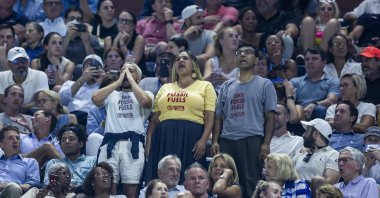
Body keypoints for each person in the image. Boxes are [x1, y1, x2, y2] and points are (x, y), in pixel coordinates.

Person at [211, 44, 276, 197]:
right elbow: (218, 117)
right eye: (239, 53)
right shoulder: (227, 86)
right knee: (227, 180)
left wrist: (266, 143)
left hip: (252, 139)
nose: (242, 55)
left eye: (247, 52)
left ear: (256, 60)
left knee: (251, 181)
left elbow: (270, 117)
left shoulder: (265, 84)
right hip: (227, 140)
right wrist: (215, 141)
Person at [145, 50, 216, 183]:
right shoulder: (165, 88)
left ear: (194, 64)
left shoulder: (205, 86)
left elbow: (209, 117)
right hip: (163, 136)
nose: (181, 61)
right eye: (178, 59)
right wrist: (149, 142)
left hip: (192, 136)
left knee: (188, 178)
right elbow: (154, 120)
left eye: (185, 58)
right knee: (161, 178)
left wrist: (203, 140)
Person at [92, 62, 153, 197]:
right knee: (107, 185)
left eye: (130, 71)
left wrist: (131, 80)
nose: (125, 73)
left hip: (133, 144)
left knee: (130, 189)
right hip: (110, 143)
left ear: (138, 77)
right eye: (122, 71)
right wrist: (118, 82)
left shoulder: (147, 94)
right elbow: (95, 99)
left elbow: (145, 102)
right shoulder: (112, 94)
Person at [290, 47, 340, 120]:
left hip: (319, 116)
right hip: (298, 115)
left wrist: (314, 104)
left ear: (324, 62)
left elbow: (331, 100)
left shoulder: (333, 81)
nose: (310, 62)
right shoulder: (295, 81)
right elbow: (289, 100)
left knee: (320, 109)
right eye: (307, 59)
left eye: (314, 59)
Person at [58, 54, 105, 126]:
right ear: (82, 70)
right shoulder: (69, 83)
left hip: (89, 120)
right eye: (88, 65)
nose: (91, 68)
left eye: (95, 65)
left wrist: (102, 84)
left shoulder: (104, 87)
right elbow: (61, 102)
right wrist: (82, 80)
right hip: (70, 117)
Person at [0, 46, 48, 112]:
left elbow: (41, 102)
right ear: (9, 65)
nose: (21, 65)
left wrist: (17, 111)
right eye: (16, 61)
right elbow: (1, 102)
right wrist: (13, 116)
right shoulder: (1, 76)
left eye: (24, 61)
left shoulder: (40, 75)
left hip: (32, 115)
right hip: (7, 114)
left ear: (28, 62)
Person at [293, 119, 340, 185]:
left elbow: (328, 184)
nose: (303, 135)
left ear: (315, 133)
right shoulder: (301, 153)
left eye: (307, 131)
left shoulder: (333, 154)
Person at [0, 126, 40, 197]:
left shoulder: (30, 162)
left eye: (17, 138)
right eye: (10, 138)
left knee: (13, 187)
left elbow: (33, 186)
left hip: (14, 193)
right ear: (1, 144)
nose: (15, 141)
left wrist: (10, 185)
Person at [203, 27, 239, 94]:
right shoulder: (211, 62)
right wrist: (209, 79)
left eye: (236, 36)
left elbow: (247, 86)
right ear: (221, 41)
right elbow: (205, 81)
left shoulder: (243, 62)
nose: (235, 39)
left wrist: (228, 82)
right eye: (231, 36)